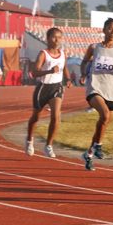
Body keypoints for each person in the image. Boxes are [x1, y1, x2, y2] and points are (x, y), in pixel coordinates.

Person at [79, 18, 113, 171]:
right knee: (105, 115)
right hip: (94, 87)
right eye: (109, 29)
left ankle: (89, 153)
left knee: (103, 122)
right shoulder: (94, 47)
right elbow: (84, 62)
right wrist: (83, 73)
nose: (112, 32)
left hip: (112, 89)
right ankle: (99, 146)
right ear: (103, 30)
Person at [26, 27, 72, 158]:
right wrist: (50, 71)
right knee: (36, 117)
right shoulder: (43, 54)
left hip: (56, 87)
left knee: (56, 116)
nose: (57, 40)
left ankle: (49, 145)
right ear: (47, 38)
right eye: (54, 37)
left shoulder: (63, 54)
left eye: (59, 37)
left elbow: (64, 68)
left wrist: (68, 79)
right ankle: (29, 139)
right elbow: (34, 72)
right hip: (43, 88)